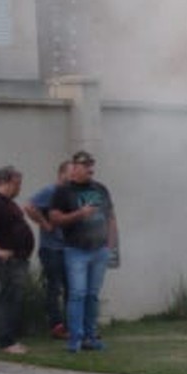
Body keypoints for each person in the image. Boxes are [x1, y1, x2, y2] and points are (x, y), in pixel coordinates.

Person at [49, 150, 118, 353]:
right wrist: (80, 213)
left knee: (92, 296)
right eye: (85, 165)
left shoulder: (101, 189)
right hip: (76, 251)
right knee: (77, 295)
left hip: (99, 251)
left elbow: (111, 217)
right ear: (75, 168)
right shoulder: (63, 192)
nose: (90, 168)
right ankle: (74, 340)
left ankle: (91, 337)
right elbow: (54, 219)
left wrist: (110, 245)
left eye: (91, 164)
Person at [0, 165, 35, 355]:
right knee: (9, 299)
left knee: (14, 299)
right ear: (6, 182)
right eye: (17, 184)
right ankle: (6, 341)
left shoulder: (8, 203)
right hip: (8, 261)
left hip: (18, 259)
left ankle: (10, 339)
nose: (19, 188)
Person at [24, 160, 72, 340]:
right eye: (71, 172)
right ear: (61, 174)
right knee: (54, 287)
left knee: (71, 288)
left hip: (67, 249)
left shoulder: (70, 195)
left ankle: (70, 325)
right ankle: (56, 325)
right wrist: (44, 224)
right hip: (51, 248)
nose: (74, 176)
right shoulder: (50, 192)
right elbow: (29, 206)